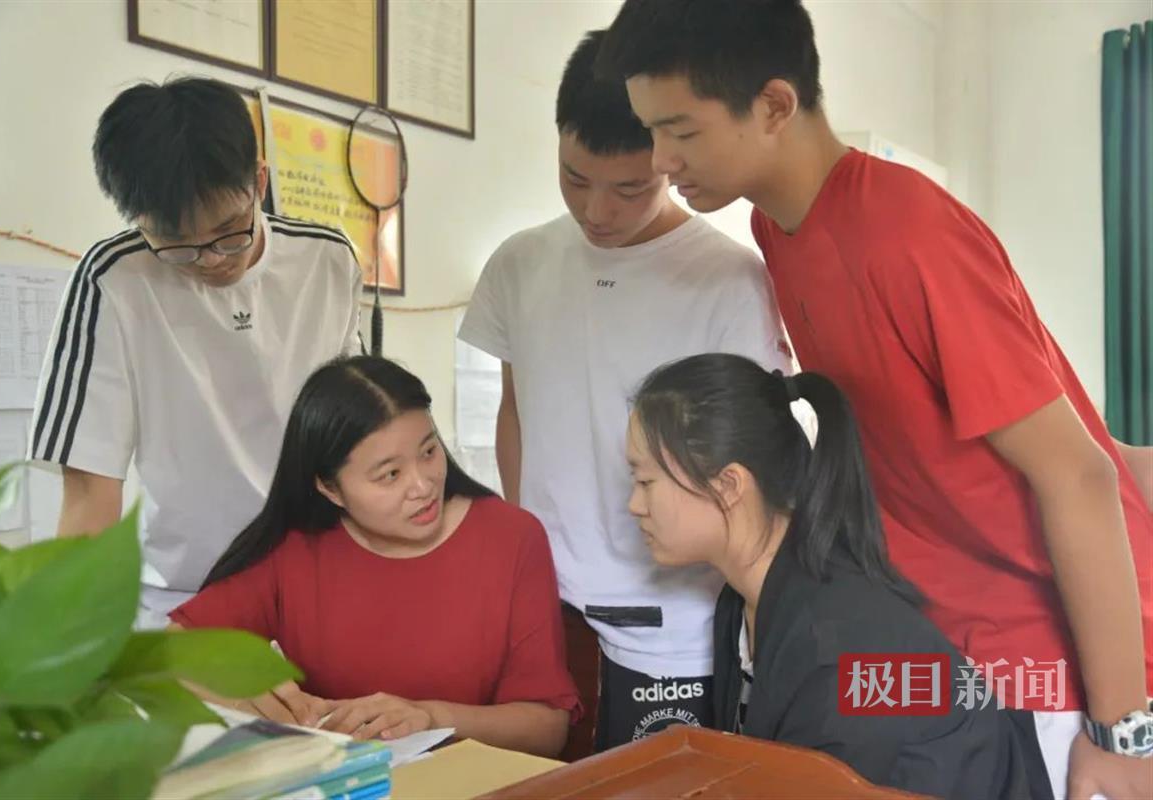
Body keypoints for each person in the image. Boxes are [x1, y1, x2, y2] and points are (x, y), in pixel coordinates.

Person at [596, 3, 1153, 797]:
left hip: (1057, 666)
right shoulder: (780, 230)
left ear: (774, 105)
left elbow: (1080, 474)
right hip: (945, 637)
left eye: (679, 131)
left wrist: (1122, 732)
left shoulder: (906, 233)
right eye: (651, 131)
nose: (660, 160)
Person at [458, 30, 793, 752]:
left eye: (630, 188)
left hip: (674, 617)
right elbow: (518, 412)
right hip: (547, 603)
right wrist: (523, 550)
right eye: (575, 179)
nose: (598, 211)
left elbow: (748, 462)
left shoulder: (728, 281)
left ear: (670, 159)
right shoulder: (520, 263)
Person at [29, 77, 362, 627]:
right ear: (137, 219)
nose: (210, 259)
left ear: (259, 181)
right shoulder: (114, 281)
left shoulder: (327, 262)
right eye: (177, 244)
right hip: (185, 598)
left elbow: (355, 436)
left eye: (230, 232)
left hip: (315, 582)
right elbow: (90, 490)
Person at [626, 353, 1034, 798]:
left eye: (646, 482)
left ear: (728, 486)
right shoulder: (740, 600)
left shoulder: (839, 650)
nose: (634, 505)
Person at [171, 356, 579, 758]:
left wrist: (430, 717)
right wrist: (241, 692)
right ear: (330, 488)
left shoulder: (512, 538)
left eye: (428, 451)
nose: (422, 486)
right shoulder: (296, 548)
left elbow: (546, 730)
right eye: (390, 474)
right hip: (339, 782)